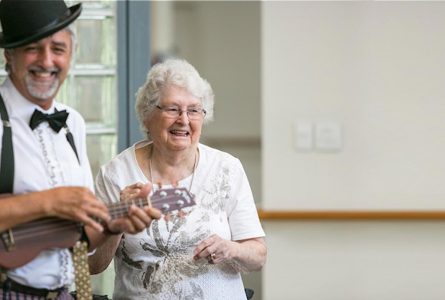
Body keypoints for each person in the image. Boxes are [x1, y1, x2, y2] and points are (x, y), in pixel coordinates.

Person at [0, 1, 160, 299]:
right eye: (32, 48)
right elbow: (54, 205)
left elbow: (74, 235)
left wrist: (114, 226)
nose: (47, 61)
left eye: (58, 49)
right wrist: (48, 202)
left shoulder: (73, 123)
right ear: (10, 55)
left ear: (71, 55)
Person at [89, 58, 267, 299]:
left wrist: (231, 248)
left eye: (194, 110)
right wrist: (116, 222)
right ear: (147, 116)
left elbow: (258, 255)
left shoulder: (227, 168)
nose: (184, 120)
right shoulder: (117, 173)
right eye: (173, 109)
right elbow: (94, 265)